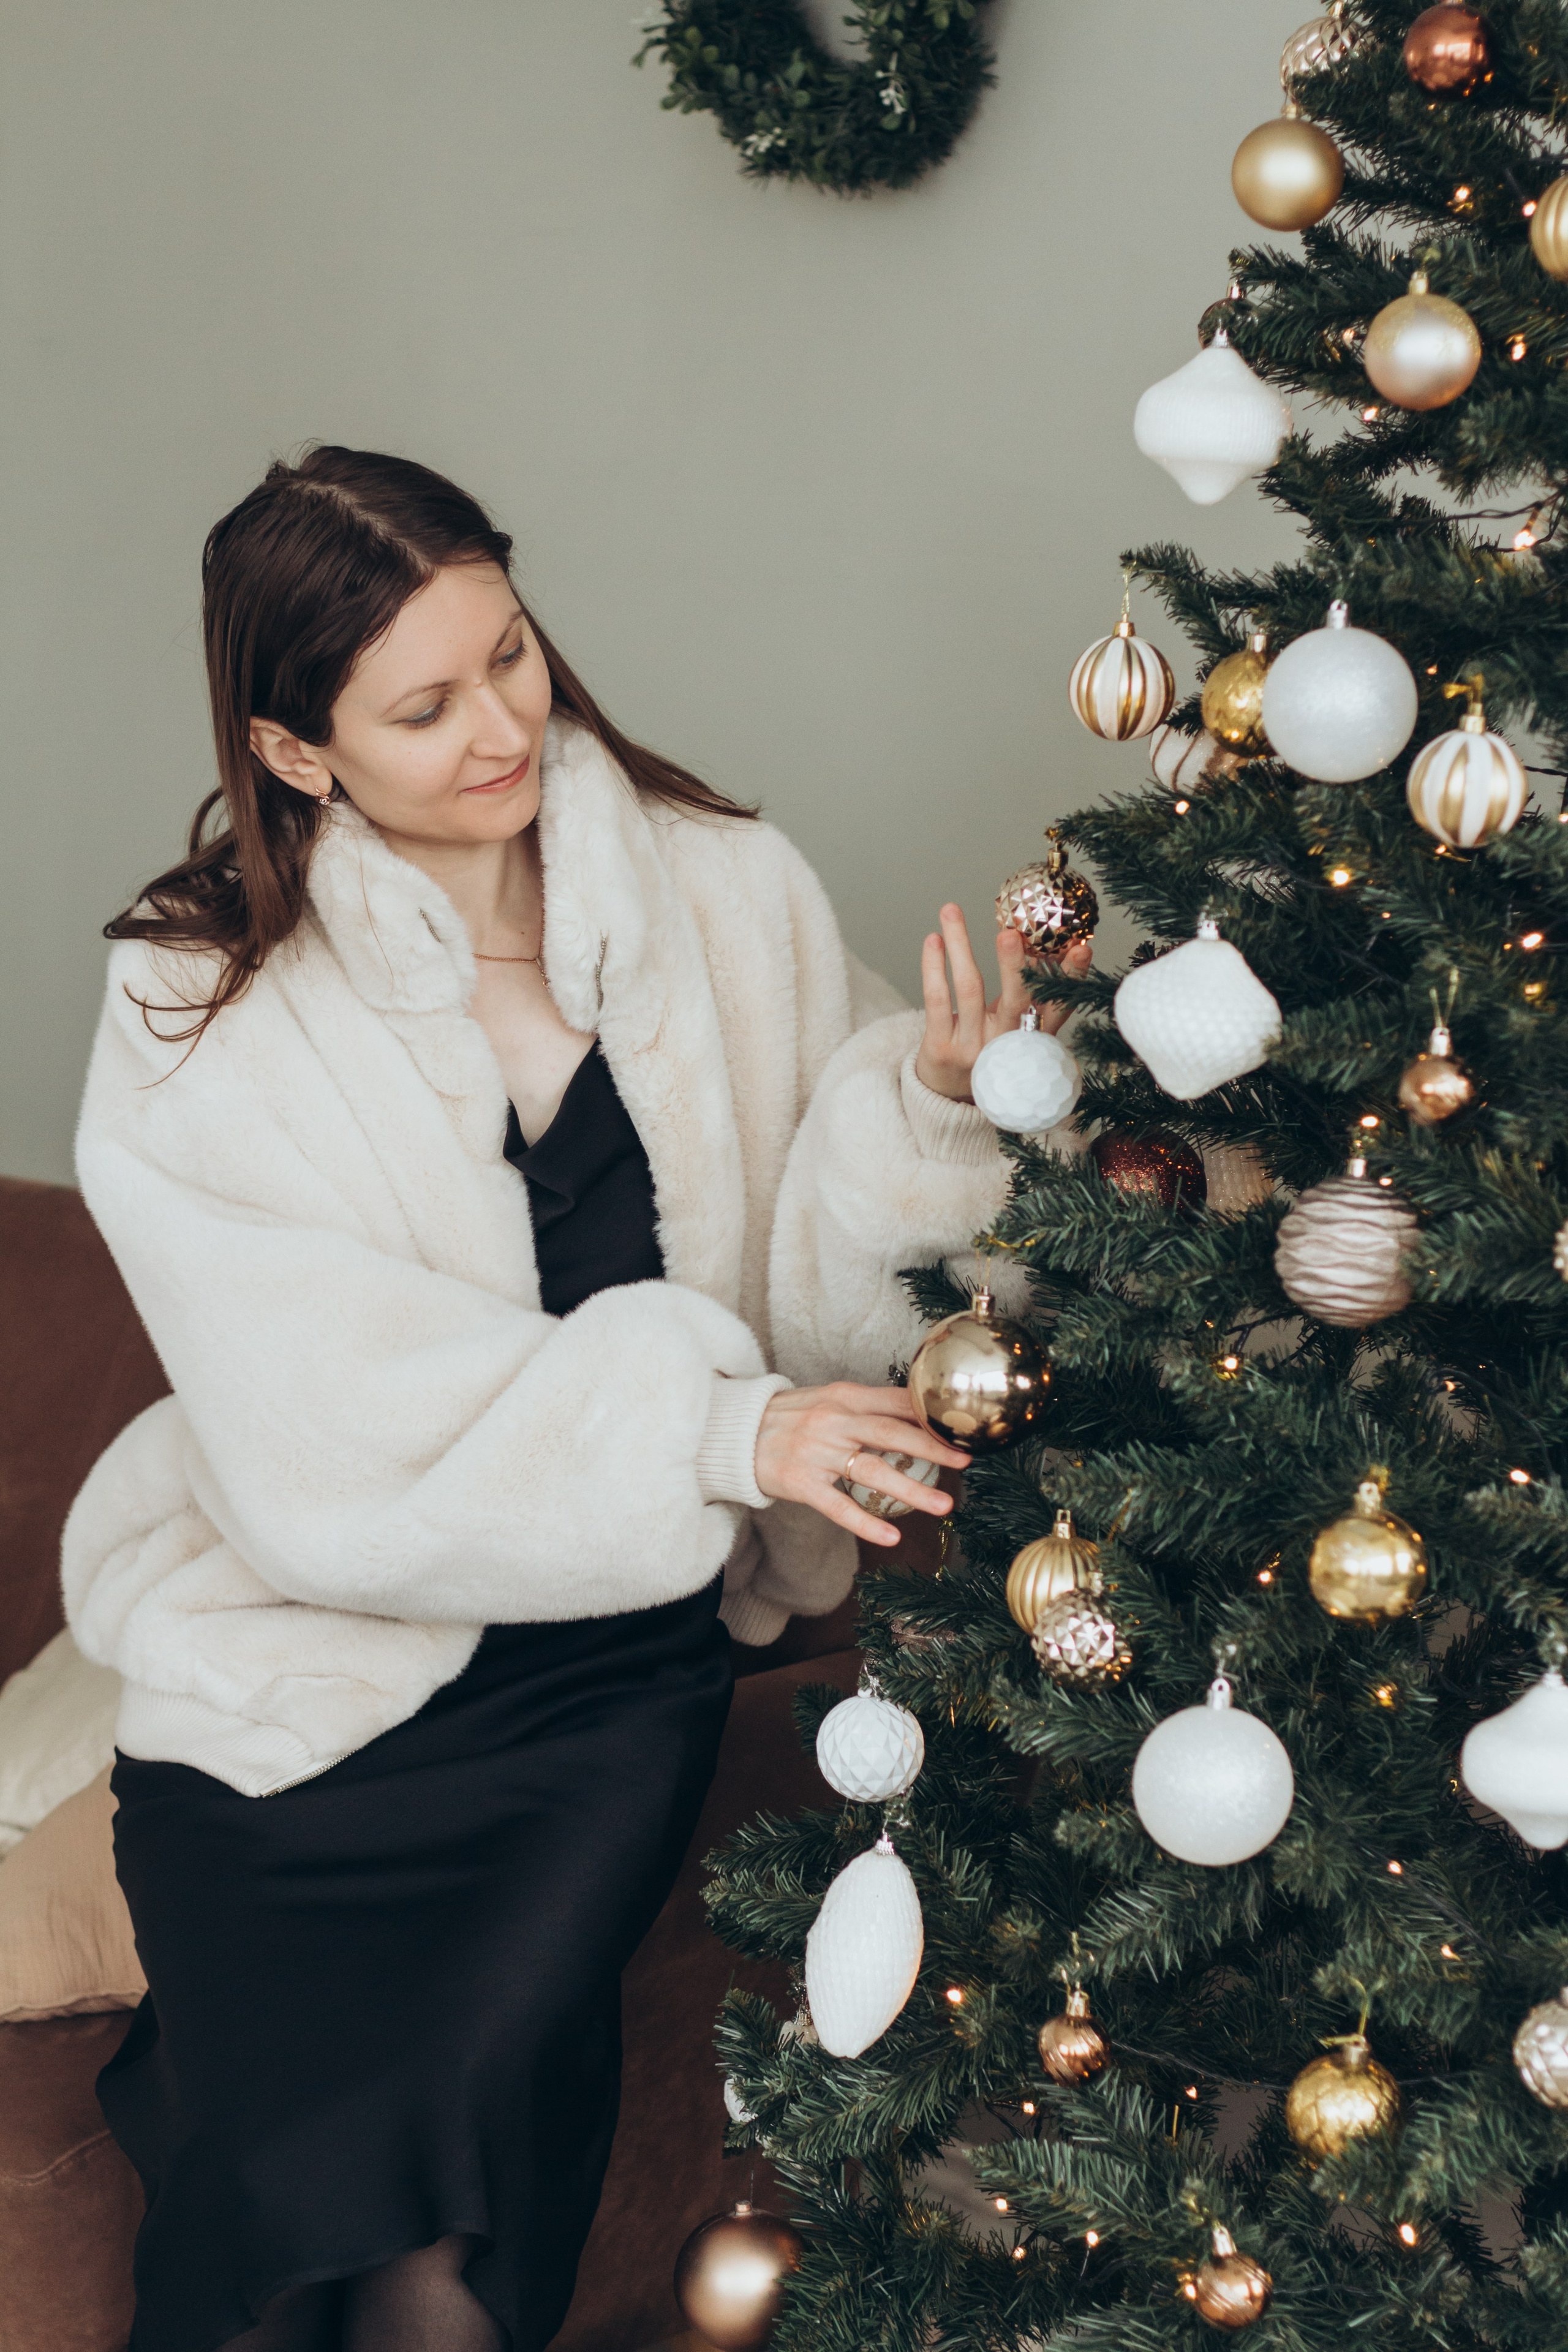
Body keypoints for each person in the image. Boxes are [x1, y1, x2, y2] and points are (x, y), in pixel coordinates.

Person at [62, 445, 1090, 2352]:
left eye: (511, 655)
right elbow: (318, 1419)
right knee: (292, 2222)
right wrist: (710, 1430)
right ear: (294, 750)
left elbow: (823, 1295)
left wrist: (933, 1111)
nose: (501, 728)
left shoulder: (725, 892)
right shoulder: (201, 994)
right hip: (301, 1672)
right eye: (424, 707)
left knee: (449, 2218)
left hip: (601, 1676)